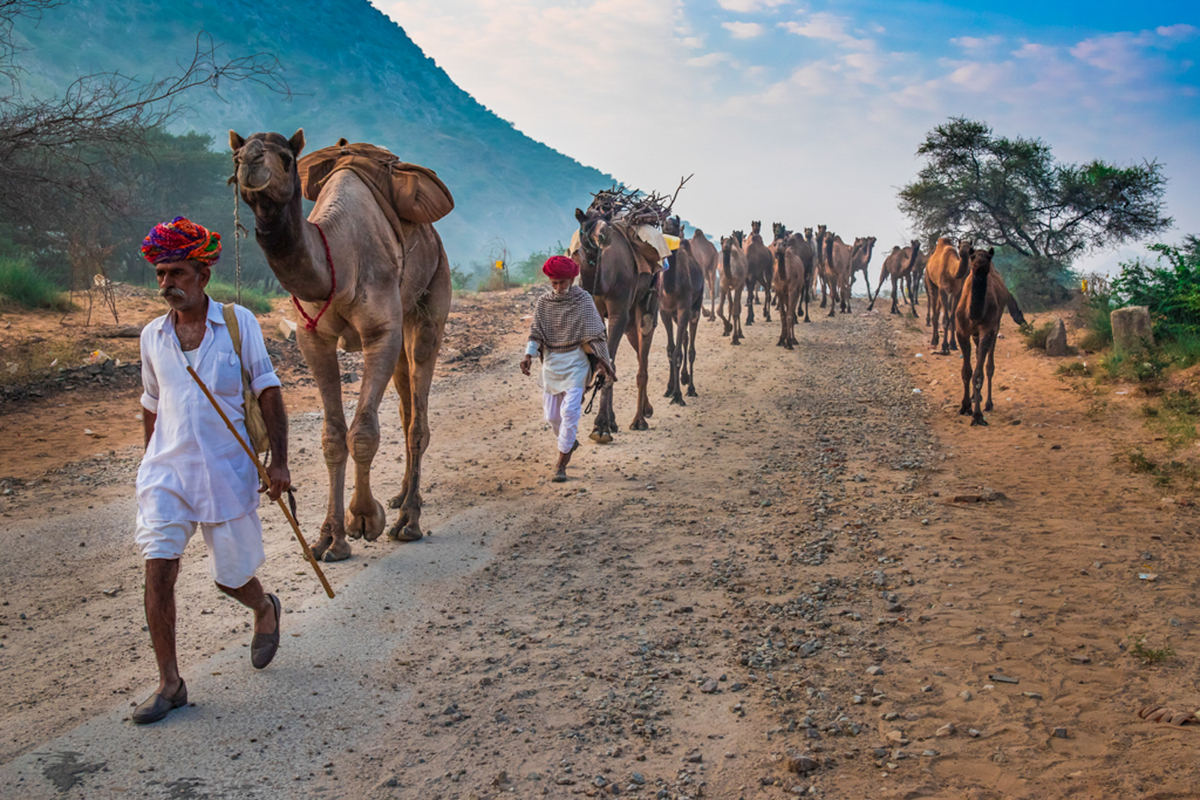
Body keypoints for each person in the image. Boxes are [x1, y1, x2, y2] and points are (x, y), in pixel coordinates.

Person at [133, 217, 291, 724]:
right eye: (160, 274)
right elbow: (152, 404)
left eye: (176, 272)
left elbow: (268, 391)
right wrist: (147, 461)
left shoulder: (240, 323)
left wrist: (280, 462)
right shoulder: (152, 336)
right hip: (168, 472)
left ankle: (263, 606)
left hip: (228, 469)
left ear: (202, 274)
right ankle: (170, 683)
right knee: (159, 568)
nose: (166, 285)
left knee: (230, 578)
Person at [520, 255, 616, 482]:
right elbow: (536, 333)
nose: (558, 287)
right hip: (552, 363)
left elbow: (596, 332)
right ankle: (569, 443)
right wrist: (528, 355)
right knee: (552, 416)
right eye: (554, 283)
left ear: (572, 279)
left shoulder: (583, 299)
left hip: (576, 363)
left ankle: (561, 464)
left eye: (562, 282)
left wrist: (602, 361)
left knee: (570, 412)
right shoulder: (544, 302)